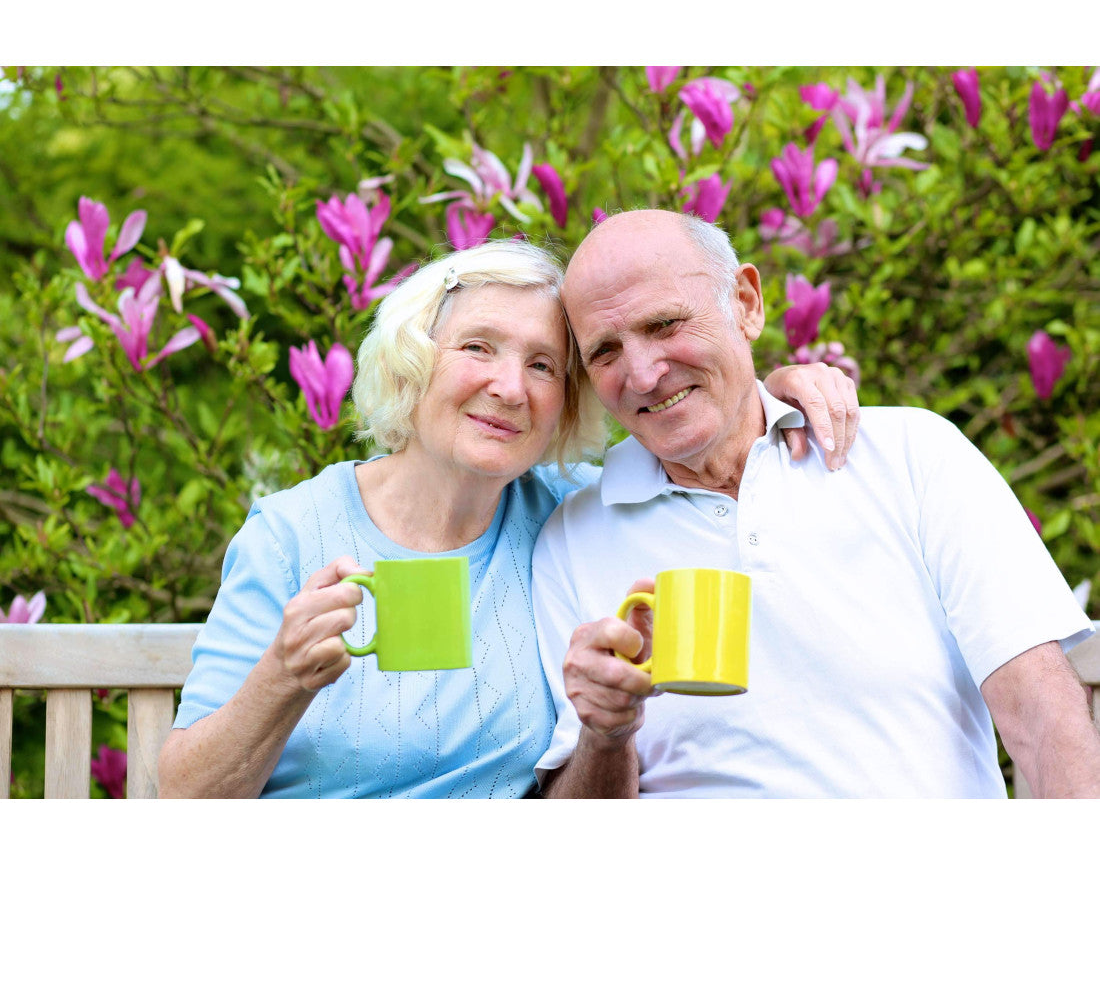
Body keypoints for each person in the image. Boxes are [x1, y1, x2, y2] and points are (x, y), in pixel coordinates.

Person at [157, 239, 856, 799]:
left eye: (544, 366)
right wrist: (284, 677)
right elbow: (185, 798)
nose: (509, 388)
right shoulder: (292, 533)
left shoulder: (574, 517)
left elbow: (699, 450)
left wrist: (778, 391)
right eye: (478, 348)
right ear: (414, 360)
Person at [531, 208, 1100, 799]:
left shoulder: (909, 456)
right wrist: (605, 732)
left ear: (746, 304)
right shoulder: (571, 538)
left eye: (666, 325)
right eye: (605, 352)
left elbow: (1041, 712)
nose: (644, 374)